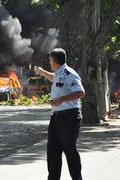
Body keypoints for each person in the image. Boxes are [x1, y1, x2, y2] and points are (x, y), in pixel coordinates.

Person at [35, 48, 85, 180]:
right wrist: (42, 72)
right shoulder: (58, 73)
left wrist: (61, 99)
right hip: (56, 118)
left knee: (69, 151)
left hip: (69, 118)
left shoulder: (69, 73)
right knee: (52, 152)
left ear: (55, 60)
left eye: (50, 60)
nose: (49, 62)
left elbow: (80, 92)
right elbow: (54, 78)